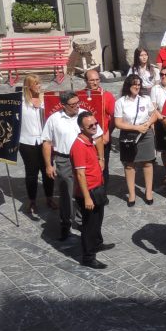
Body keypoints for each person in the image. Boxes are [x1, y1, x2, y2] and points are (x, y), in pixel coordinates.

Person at [43, 91, 103, 242]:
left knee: (87, 191)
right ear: (63, 105)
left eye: (78, 102)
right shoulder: (54, 119)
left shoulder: (85, 116)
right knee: (67, 194)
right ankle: (66, 224)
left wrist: (101, 158)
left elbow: (98, 136)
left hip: (86, 160)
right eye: (73, 104)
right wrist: (48, 165)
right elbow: (47, 142)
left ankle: (85, 223)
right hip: (64, 160)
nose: (77, 106)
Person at [70, 111, 113, 269]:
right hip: (89, 192)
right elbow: (80, 174)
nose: (95, 127)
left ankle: (96, 244)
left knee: (97, 221)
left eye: (96, 123)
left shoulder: (90, 141)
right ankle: (88, 257)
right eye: (91, 125)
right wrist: (87, 198)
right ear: (81, 127)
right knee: (89, 225)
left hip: (97, 187)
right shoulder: (79, 146)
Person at [114, 74, 161, 207]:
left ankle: (148, 192)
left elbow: (154, 115)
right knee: (129, 165)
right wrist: (136, 127)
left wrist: (147, 124)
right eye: (134, 84)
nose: (137, 87)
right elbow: (118, 123)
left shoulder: (145, 99)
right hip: (128, 135)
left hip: (145, 135)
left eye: (139, 84)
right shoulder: (120, 102)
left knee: (148, 163)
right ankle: (132, 194)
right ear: (128, 85)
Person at [19, 74, 54, 216]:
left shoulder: (46, 99)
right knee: (31, 173)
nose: (39, 86)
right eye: (36, 83)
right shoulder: (20, 102)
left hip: (45, 141)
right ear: (29, 86)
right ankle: (32, 201)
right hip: (27, 142)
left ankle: (49, 198)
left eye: (40, 83)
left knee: (48, 170)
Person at [77, 69, 115, 183]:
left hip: (102, 138)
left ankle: (102, 193)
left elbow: (113, 117)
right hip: (84, 139)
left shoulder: (107, 96)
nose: (95, 83)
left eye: (97, 79)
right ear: (86, 81)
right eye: (92, 80)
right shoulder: (79, 95)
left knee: (103, 167)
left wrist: (108, 134)